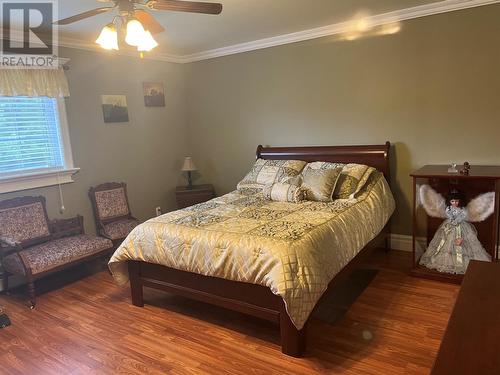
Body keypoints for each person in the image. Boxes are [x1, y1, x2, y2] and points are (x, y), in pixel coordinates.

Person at [419, 188, 491, 274]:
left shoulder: (462, 210)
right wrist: (452, 220)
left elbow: (463, 216)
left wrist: (456, 221)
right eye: (453, 201)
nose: (455, 203)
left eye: (456, 201)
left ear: (460, 201)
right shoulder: (448, 209)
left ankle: (460, 262)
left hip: (460, 226)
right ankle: (446, 260)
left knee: (463, 243)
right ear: (450, 201)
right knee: (446, 241)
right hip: (449, 225)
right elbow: (448, 214)